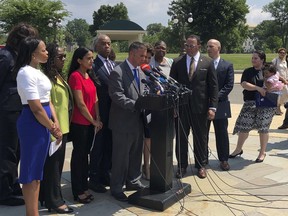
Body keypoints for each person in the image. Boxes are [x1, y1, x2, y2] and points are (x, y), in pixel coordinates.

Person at [14, 37, 62, 216]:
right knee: (30, 171)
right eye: (43, 50)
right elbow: (35, 107)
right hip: (33, 124)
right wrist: (52, 127)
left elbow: (47, 100)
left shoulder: (38, 71)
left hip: (43, 123)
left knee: (37, 172)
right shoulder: (25, 73)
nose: (47, 52)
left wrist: (55, 122)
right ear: (33, 54)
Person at [170, 35, 218, 179]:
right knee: (181, 138)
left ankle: (201, 165)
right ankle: (181, 166)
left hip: (201, 107)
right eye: (187, 45)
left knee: (200, 138)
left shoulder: (208, 62)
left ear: (199, 46)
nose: (189, 48)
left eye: (192, 45)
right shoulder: (178, 62)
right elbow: (172, 86)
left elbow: (213, 86)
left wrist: (212, 107)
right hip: (182, 108)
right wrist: (173, 106)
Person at [0, 23, 38, 206]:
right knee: (7, 153)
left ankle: (13, 184)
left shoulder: (17, 57)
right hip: (7, 112)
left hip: (18, 111)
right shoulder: (5, 57)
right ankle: (4, 192)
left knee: (17, 151)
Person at [108, 41, 147, 202]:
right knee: (120, 157)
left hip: (138, 122)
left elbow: (144, 92)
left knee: (136, 154)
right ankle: (116, 187)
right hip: (122, 123)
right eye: (141, 56)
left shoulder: (141, 72)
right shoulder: (118, 72)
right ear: (132, 54)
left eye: (145, 56)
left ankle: (133, 181)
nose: (144, 59)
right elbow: (117, 96)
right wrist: (137, 105)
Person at [39, 43, 74, 213]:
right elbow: (47, 105)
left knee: (57, 166)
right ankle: (55, 201)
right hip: (53, 129)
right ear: (51, 59)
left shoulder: (58, 76)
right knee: (52, 167)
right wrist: (54, 128)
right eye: (60, 57)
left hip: (63, 127)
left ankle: (48, 197)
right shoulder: (45, 78)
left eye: (64, 56)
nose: (64, 59)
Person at [68, 47, 103, 204]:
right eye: (88, 58)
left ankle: (84, 186)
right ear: (79, 60)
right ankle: (78, 190)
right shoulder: (75, 77)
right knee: (79, 157)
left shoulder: (89, 75)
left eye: (92, 58)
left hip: (91, 123)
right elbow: (80, 104)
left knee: (85, 157)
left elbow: (95, 98)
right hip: (80, 123)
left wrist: (98, 117)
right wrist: (93, 121)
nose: (91, 60)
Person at [229, 50, 276, 163]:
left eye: (256, 58)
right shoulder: (248, 71)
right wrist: (258, 88)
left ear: (262, 60)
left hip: (266, 104)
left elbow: (276, 82)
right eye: (252, 58)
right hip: (250, 102)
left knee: (263, 128)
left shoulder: (268, 71)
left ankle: (262, 152)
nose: (253, 60)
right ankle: (238, 149)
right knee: (244, 127)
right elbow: (244, 84)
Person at [89, 34, 115, 193]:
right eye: (103, 44)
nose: (107, 46)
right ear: (96, 46)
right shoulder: (93, 66)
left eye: (109, 43)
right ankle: (94, 178)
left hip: (113, 113)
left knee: (109, 146)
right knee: (97, 147)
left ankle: (106, 173)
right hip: (99, 113)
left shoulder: (113, 64)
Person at [206, 39, 234, 171]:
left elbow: (229, 85)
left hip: (221, 105)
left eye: (211, 46)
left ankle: (224, 160)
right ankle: (202, 159)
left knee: (222, 133)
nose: (208, 49)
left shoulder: (227, 65)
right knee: (202, 134)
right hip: (205, 105)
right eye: (207, 46)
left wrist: (215, 99)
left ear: (218, 48)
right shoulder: (204, 64)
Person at [142, 43, 154, 180]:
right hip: (134, 109)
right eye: (144, 57)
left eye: (149, 57)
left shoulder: (151, 71)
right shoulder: (134, 69)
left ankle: (147, 167)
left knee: (148, 139)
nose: (146, 60)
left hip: (148, 110)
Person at [271, 48, 288, 115]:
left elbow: (286, 71)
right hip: (278, 80)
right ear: (278, 53)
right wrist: (281, 78)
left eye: (284, 53)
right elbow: (272, 71)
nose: (282, 54)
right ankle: (277, 108)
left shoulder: (285, 61)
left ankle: (278, 107)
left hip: (285, 80)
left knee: (285, 94)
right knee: (279, 95)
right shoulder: (275, 61)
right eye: (281, 52)